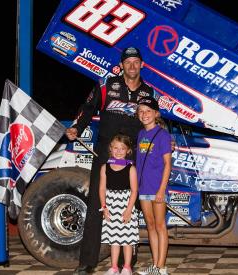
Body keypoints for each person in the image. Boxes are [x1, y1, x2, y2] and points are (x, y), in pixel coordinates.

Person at [65, 47, 155, 274]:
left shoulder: (148, 92)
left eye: (136, 62)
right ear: (121, 65)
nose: (132, 66)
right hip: (106, 154)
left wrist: (164, 139)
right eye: (128, 62)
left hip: (133, 156)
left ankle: (128, 263)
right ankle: (87, 262)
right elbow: (87, 109)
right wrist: (77, 127)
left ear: (142, 65)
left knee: (131, 207)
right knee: (97, 203)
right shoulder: (106, 85)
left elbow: (153, 122)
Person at [135, 97, 172, 275]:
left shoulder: (163, 135)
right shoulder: (141, 134)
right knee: (149, 226)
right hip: (144, 188)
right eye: (141, 111)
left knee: (160, 226)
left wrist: (161, 190)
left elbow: (167, 165)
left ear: (156, 114)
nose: (144, 114)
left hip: (158, 189)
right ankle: (155, 265)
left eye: (148, 111)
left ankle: (161, 267)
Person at [100, 134, 139, 275]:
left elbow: (134, 190)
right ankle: (114, 267)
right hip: (110, 205)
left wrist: (129, 210)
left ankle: (127, 267)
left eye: (122, 148)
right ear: (110, 148)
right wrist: (104, 207)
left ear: (128, 150)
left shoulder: (131, 168)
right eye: (115, 148)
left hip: (126, 204)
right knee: (114, 239)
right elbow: (102, 189)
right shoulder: (105, 167)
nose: (118, 151)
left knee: (127, 239)